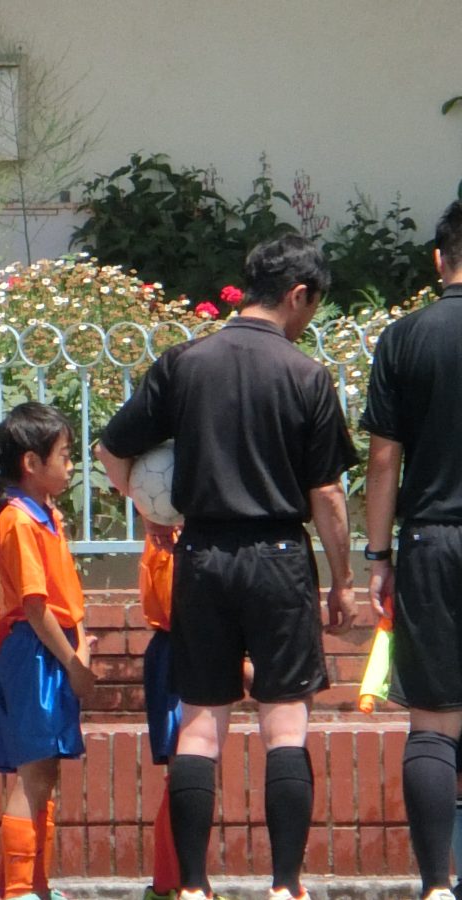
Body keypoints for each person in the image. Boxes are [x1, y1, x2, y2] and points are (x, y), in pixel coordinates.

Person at [96, 233, 357, 900]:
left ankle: (192, 886)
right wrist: (342, 579)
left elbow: (112, 451)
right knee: (285, 725)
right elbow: (327, 494)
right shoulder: (306, 375)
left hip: (203, 554)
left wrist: (151, 510)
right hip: (279, 557)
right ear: (297, 295)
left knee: (200, 724)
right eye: (312, 306)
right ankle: (285, 885)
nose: (308, 319)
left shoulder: (184, 363)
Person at [360, 200, 462, 900]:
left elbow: (383, 460)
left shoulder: (404, 338)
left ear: (438, 259)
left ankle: (434, 886)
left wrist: (378, 556)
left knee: (432, 723)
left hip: (432, 538)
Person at [0, 402, 95, 900]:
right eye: (64, 455)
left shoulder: (46, 516)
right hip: (34, 651)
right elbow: (33, 603)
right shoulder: (18, 521)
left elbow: (65, 594)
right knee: (33, 772)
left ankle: (24, 884)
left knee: (44, 772)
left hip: (51, 647)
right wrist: (72, 662)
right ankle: (20, 888)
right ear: (31, 462)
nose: (70, 465)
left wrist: (80, 646)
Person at [137, 525, 184, 900]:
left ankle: (176, 880)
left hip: (181, 648)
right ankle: (171, 883)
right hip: (178, 650)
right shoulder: (168, 536)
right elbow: (174, 606)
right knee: (184, 771)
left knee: (188, 773)